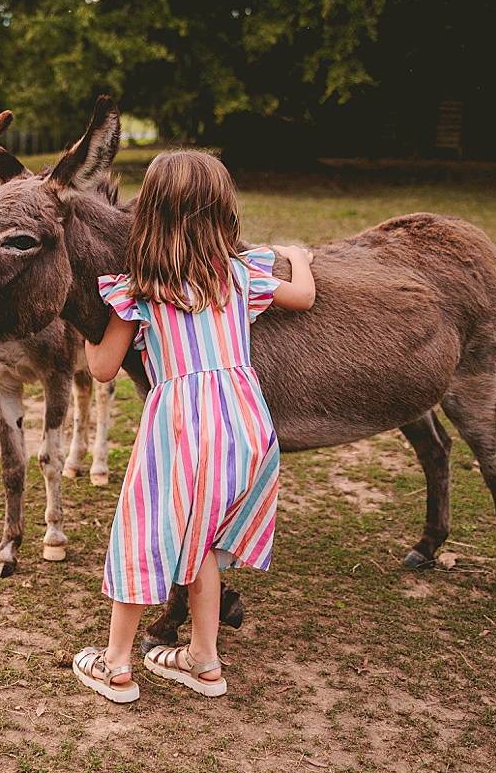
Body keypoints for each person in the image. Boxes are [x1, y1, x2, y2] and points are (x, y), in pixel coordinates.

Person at [71, 150, 315, 703]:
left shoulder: (139, 287)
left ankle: (115, 665)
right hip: (246, 424)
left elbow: (104, 368)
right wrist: (298, 257)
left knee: (143, 534)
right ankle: (204, 661)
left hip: (180, 427)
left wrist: (90, 320)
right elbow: (302, 296)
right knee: (202, 537)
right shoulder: (239, 272)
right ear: (222, 210)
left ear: (149, 212)